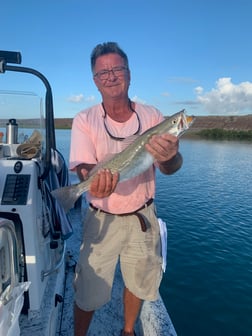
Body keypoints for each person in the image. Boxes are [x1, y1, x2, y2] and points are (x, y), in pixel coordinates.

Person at [69, 42, 183, 336]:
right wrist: (90, 180)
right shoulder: (84, 119)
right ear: (95, 80)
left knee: (138, 281)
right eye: (102, 71)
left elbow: (169, 169)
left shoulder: (153, 116)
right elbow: (82, 166)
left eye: (117, 68)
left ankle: (128, 330)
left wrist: (171, 157)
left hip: (142, 218)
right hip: (100, 218)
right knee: (88, 290)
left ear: (129, 74)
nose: (111, 75)